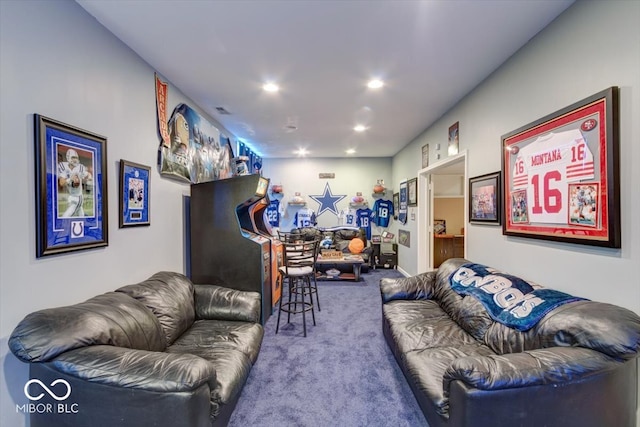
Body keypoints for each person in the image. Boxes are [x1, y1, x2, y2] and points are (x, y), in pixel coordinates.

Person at [57, 148, 92, 217]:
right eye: (73, 157)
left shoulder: (80, 168)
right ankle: (85, 221)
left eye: (76, 158)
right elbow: (61, 183)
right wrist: (70, 179)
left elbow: (88, 174)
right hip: (70, 196)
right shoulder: (63, 166)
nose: (75, 159)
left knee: (65, 216)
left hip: (77, 197)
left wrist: (89, 178)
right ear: (68, 157)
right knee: (80, 214)